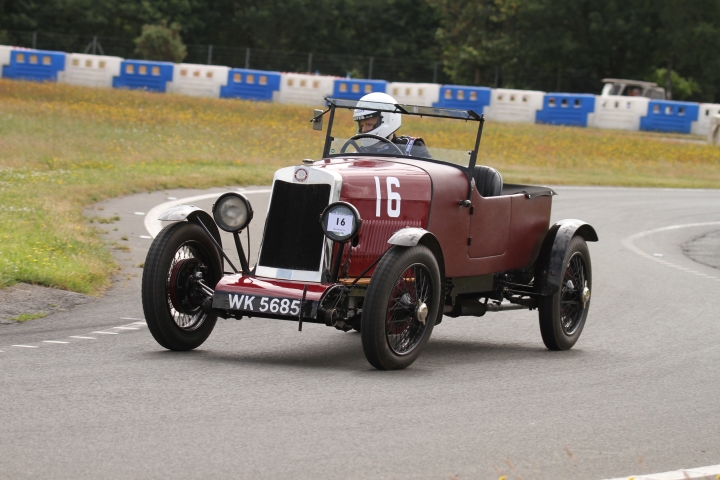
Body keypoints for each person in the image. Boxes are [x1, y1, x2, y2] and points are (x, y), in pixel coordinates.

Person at [352, 92, 431, 158]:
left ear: (388, 120)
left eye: (369, 124)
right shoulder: (359, 152)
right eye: (361, 126)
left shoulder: (412, 147)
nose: (363, 130)